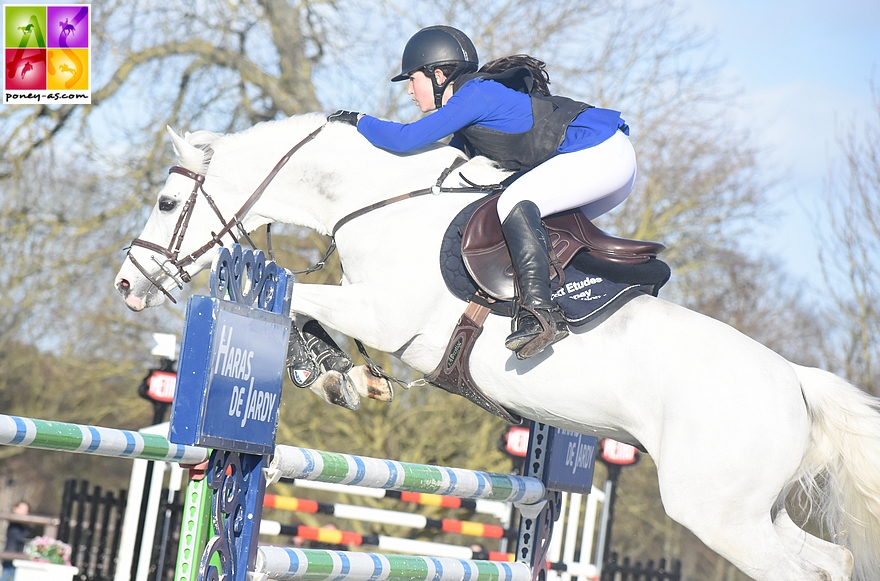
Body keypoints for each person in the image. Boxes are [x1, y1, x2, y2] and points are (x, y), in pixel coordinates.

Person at [328, 25, 637, 360]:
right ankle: (584, 295)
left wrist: (359, 121)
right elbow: (447, 174)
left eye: (412, 79)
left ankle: (539, 314)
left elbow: (405, 139)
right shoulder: (468, 120)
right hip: (608, 163)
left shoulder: (477, 95)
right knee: (525, 226)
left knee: (515, 203)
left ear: (439, 74)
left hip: (601, 152)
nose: (409, 91)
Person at [1, 501, 31, 581]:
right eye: (23, 510)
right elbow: (19, 537)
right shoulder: (14, 525)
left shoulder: (20, 525)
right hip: (10, 555)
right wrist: (29, 529)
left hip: (16, 556)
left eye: (26, 511)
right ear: (15, 509)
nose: (25, 513)